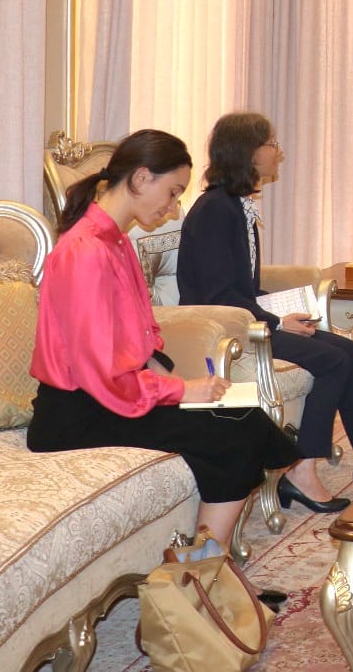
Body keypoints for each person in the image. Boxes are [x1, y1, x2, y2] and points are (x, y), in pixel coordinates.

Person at [27, 129, 301, 551]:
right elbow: (99, 372)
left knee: (241, 418)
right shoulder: (86, 251)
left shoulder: (114, 242)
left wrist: (177, 385)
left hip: (105, 398)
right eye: (172, 193)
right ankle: (205, 570)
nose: (173, 208)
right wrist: (180, 391)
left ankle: (206, 564)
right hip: (75, 415)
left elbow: (139, 337)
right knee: (236, 433)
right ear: (141, 178)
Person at [177, 112, 353, 513]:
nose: (279, 152)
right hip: (223, 331)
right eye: (271, 144)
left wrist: (284, 311)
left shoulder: (237, 206)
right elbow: (219, 295)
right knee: (331, 360)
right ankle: (302, 469)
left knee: (345, 349)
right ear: (248, 152)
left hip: (245, 318)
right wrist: (275, 321)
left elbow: (244, 287)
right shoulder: (214, 211)